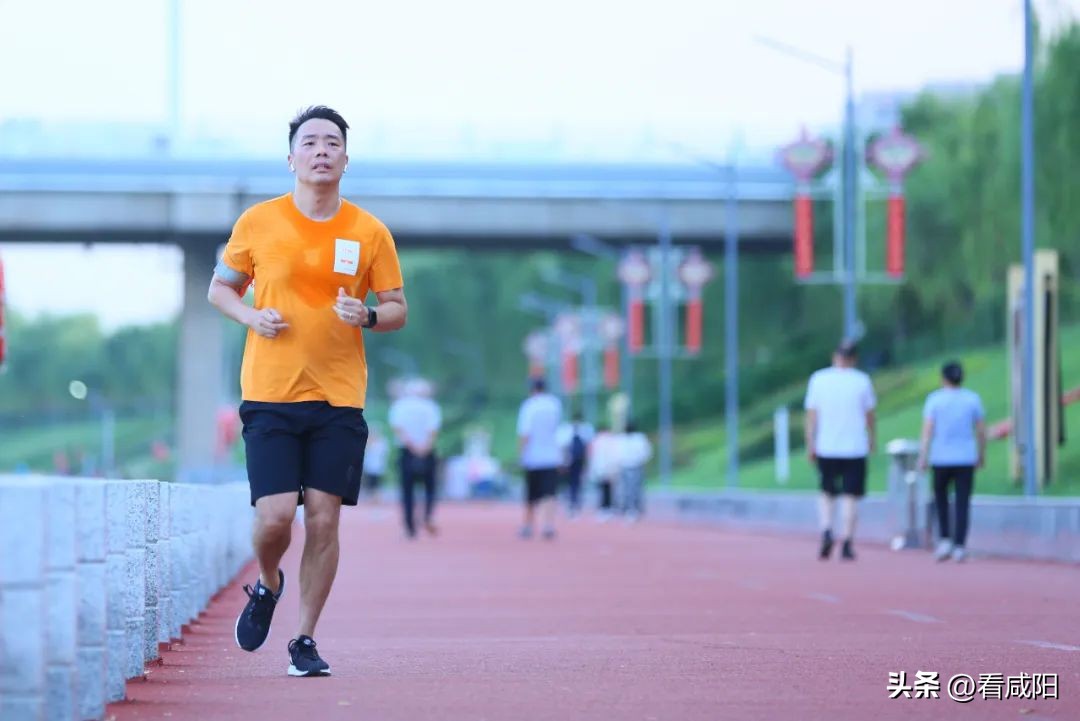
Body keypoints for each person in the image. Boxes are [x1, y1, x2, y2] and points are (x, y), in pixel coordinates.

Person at [208, 106, 407, 677]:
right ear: (291, 157)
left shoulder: (369, 231)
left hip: (340, 398)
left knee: (323, 519)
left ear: (347, 158)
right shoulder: (258, 222)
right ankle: (269, 582)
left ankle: (304, 640)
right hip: (270, 392)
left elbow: (397, 309)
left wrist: (367, 316)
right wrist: (251, 318)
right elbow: (219, 291)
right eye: (310, 142)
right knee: (274, 518)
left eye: (332, 143)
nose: (321, 151)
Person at [804, 340, 876, 561]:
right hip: (854, 446)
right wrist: (872, 438)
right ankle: (847, 540)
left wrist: (810, 442)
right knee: (850, 496)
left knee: (826, 492)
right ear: (854, 358)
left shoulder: (819, 379)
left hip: (827, 445)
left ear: (834, 356)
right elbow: (869, 415)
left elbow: (811, 415)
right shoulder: (861, 381)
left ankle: (827, 529)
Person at [918, 361, 986, 562]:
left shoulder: (935, 400)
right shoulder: (972, 399)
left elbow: (927, 431)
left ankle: (945, 539)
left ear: (943, 378)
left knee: (941, 500)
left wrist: (923, 456)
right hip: (965, 457)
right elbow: (981, 430)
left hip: (940, 458)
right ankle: (960, 545)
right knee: (963, 501)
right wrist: (981, 454)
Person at [389, 379, 442, 539]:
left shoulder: (399, 406)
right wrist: (425, 447)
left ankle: (409, 527)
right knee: (430, 487)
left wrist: (412, 446)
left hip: (407, 451)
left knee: (407, 490)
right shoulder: (431, 406)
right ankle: (428, 516)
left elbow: (398, 428)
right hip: (427, 450)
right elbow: (433, 430)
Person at [517, 377, 563, 539]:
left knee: (531, 494)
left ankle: (528, 525)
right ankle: (548, 525)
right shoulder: (554, 405)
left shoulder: (529, 406)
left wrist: (522, 454)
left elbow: (525, 433)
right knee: (549, 493)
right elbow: (557, 430)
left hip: (533, 456)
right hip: (552, 456)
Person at [557, 412, 593, 517]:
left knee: (576, 481)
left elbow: (587, 448)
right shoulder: (568, 430)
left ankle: (574, 501)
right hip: (570, 460)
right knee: (571, 482)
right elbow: (563, 446)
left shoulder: (584, 430)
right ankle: (572, 501)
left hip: (577, 460)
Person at [618, 421, 653, 522]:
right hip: (627, 466)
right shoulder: (624, 439)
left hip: (635, 466)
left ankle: (633, 509)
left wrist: (640, 461)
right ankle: (629, 508)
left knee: (633, 489)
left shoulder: (639, 438)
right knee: (629, 489)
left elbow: (646, 452)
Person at [361, 424, 390, 503]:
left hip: (378, 467)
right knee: (370, 483)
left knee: (377, 483)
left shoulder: (382, 442)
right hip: (370, 467)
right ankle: (372, 498)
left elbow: (383, 453)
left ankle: (376, 498)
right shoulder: (369, 442)